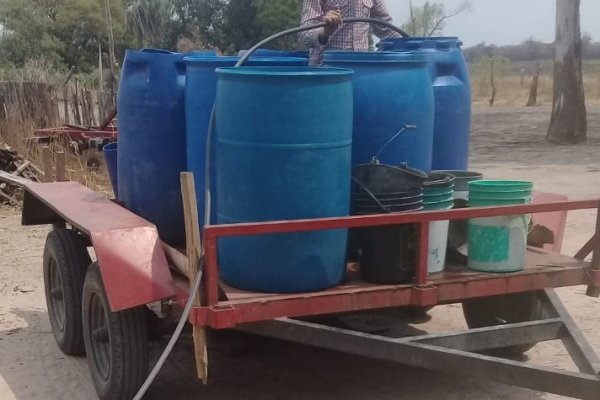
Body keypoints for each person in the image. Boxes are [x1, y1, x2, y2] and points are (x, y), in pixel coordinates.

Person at [300, 0, 401, 65]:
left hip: (360, 72)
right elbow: (304, 35)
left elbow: (387, 29)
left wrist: (413, 46)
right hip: (326, 73)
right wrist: (324, 32)